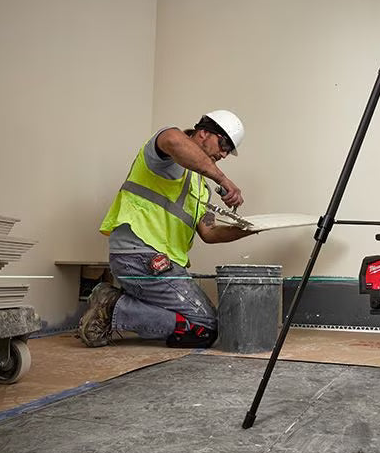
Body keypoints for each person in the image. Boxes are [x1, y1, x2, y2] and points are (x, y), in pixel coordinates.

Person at [78, 110, 257, 349]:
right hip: (139, 254)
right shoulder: (165, 154)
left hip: (163, 263)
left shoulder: (201, 186)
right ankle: (113, 306)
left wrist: (249, 229)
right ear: (204, 132)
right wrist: (223, 180)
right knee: (204, 326)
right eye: (224, 145)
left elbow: (209, 233)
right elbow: (173, 139)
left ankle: (119, 303)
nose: (224, 154)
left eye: (228, 150)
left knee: (204, 327)